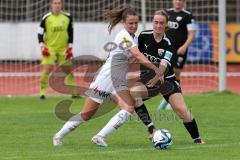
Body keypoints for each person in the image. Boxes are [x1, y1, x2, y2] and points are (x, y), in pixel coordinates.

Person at [53, 7, 163, 147]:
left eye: (136, 23)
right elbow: (136, 55)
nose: (134, 26)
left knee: (129, 108)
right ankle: (58, 136)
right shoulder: (123, 35)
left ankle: (100, 136)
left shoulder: (134, 37)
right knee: (86, 115)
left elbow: (132, 58)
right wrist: (155, 68)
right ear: (124, 23)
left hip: (117, 80)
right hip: (105, 78)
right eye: (130, 23)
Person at [97, 10, 204, 145]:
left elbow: (165, 63)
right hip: (147, 80)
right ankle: (151, 129)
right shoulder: (143, 36)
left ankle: (197, 140)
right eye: (156, 22)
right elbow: (133, 54)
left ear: (166, 25)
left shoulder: (169, 40)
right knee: (134, 94)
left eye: (161, 23)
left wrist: (159, 73)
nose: (158, 25)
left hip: (167, 81)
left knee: (182, 111)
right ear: (152, 22)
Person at [158, 0, 197, 109]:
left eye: (180, 0)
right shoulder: (166, 13)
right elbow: (161, 28)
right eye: (176, 0)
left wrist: (185, 46)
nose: (178, 2)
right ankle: (167, 97)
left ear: (184, 2)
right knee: (164, 71)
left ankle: (176, 97)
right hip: (167, 47)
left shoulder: (188, 15)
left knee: (176, 71)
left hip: (180, 49)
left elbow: (192, 33)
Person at [37, 0, 78, 99]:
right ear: (51, 5)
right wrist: (42, 46)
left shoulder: (67, 17)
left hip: (63, 48)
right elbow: (40, 33)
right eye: (55, 3)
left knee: (68, 71)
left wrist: (70, 47)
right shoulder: (46, 18)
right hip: (49, 48)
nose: (57, 5)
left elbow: (71, 32)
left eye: (59, 3)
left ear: (61, 4)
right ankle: (42, 92)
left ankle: (74, 93)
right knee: (47, 69)